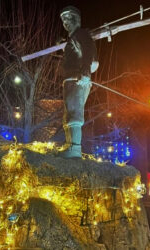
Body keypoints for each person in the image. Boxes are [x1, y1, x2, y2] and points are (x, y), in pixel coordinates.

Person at [57, 5, 98, 158]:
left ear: (76, 19)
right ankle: (70, 146)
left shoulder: (81, 34)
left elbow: (88, 51)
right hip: (70, 79)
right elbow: (74, 54)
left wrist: (86, 71)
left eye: (68, 18)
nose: (65, 22)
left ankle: (74, 148)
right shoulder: (73, 38)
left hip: (77, 79)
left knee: (74, 112)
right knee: (68, 114)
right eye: (63, 20)